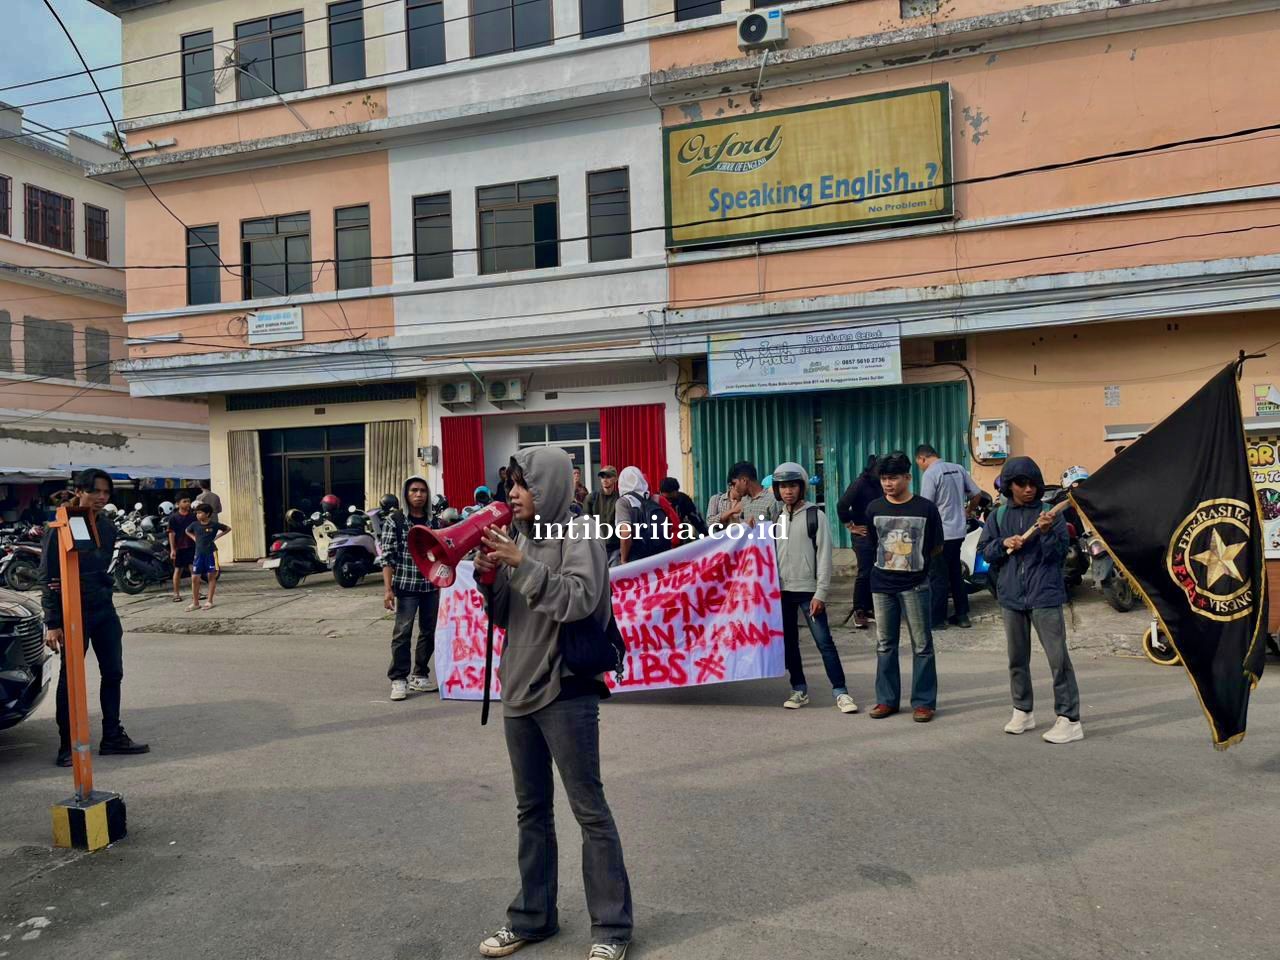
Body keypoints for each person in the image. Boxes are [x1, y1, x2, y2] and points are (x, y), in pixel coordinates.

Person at [475, 448, 633, 960]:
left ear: (549, 488)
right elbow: (506, 616)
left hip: (565, 688)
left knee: (589, 811)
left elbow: (579, 599)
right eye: (511, 485)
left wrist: (521, 565)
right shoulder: (518, 536)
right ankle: (533, 917)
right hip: (517, 686)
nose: (513, 494)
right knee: (531, 812)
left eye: (524, 485)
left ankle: (611, 928)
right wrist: (490, 576)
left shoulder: (579, 533)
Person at [39, 468, 150, 768]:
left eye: (106, 493)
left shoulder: (107, 526)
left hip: (104, 609)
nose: (101, 498)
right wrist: (53, 622)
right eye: (96, 491)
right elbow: (49, 577)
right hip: (73, 611)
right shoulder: (60, 525)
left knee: (113, 673)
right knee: (71, 680)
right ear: (80, 491)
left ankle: (112, 736)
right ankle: (68, 746)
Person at [977, 457, 1084, 744]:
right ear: (1009, 486)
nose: (1028, 489)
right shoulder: (997, 516)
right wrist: (1003, 543)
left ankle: (1069, 718)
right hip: (1011, 596)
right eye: (1021, 484)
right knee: (1017, 659)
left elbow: (1060, 554)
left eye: (1032, 484)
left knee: (1058, 658)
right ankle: (1022, 710)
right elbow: (985, 551)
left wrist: (1047, 533)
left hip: (1045, 595)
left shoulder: (1051, 514)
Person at [864, 452, 944, 722]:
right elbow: (872, 543)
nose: (888, 483)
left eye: (894, 478)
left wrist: (915, 569)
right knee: (885, 645)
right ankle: (886, 700)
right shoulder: (874, 508)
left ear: (908, 478)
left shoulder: (925, 509)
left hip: (916, 585)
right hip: (881, 585)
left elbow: (936, 546)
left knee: (922, 645)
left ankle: (923, 703)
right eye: (884, 478)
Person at [771, 463, 857, 714]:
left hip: (809, 592)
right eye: (783, 486)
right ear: (777, 490)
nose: (788, 491)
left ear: (802, 487)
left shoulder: (814, 516)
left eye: (792, 485)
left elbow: (824, 557)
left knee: (824, 642)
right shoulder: (777, 517)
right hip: (783, 592)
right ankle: (798, 688)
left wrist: (821, 592)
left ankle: (841, 692)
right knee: (790, 644)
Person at [379, 475, 440, 701]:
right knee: (402, 633)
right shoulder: (395, 521)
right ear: (406, 494)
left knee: (429, 631)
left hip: (430, 587)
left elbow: (442, 554)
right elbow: (387, 557)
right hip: (405, 587)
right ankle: (399, 679)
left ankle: (420, 674)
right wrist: (388, 590)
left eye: (423, 491)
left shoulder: (434, 522)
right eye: (414, 490)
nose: (418, 495)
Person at [915, 444, 983, 630]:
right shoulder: (958, 468)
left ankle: (937, 620)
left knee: (938, 576)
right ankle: (962, 616)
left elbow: (926, 507)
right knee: (955, 573)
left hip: (940, 534)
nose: (920, 466)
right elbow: (976, 494)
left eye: (919, 463)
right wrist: (968, 510)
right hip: (959, 531)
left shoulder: (930, 474)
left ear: (922, 458)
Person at [836, 454, 882, 629]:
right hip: (862, 534)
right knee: (865, 571)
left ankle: (870, 608)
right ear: (871, 470)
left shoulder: (880, 483)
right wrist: (850, 525)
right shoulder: (860, 483)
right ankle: (859, 611)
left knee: (875, 570)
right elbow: (841, 505)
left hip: (878, 532)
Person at [615, 466, 673, 564]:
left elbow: (625, 533)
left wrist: (623, 560)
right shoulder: (656, 499)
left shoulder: (624, 502)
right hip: (659, 554)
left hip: (637, 557)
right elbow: (673, 524)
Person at [186, 504, 230, 610]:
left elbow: (227, 528)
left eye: (200, 513)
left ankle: (209, 601)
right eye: (197, 513)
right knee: (195, 578)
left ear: (207, 514)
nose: (198, 515)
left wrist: (217, 537)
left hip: (211, 553)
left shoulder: (214, 525)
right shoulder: (194, 525)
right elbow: (187, 531)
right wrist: (194, 538)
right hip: (198, 554)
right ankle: (195, 603)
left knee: (211, 576)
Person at [709, 461, 776, 530]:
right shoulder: (744, 501)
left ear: (744, 480)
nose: (734, 488)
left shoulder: (772, 501)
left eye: (734, 483)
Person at [583, 466, 621, 564]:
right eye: (602, 477)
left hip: (615, 548)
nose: (605, 480)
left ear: (615, 478)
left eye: (608, 476)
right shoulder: (591, 498)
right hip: (597, 547)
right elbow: (586, 524)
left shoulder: (620, 499)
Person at [167, 494, 197, 603]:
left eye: (188, 501)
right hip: (179, 547)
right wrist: (172, 549)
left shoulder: (193, 516)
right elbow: (171, 533)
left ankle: (196, 592)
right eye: (184, 501)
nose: (187, 503)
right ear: (178, 504)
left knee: (194, 570)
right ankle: (176, 594)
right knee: (178, 570)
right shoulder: (173, 518)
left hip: (191, 546)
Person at [658, 477, 707, 542]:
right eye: (666, 499)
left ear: (676, 491)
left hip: (679, 537)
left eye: (671, 498)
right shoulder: (656, 501)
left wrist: (707, 536)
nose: (669, 502)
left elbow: (696, 519)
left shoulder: (683, 499)